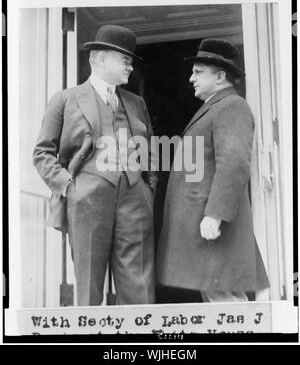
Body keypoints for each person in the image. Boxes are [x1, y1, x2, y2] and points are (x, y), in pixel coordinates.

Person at [33, 24, 157, 306]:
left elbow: (149, 149)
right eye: (124, 59)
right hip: (86, 200)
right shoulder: (65, 100)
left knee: (138, 286)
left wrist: (148, 188)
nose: (130, 66)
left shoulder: (136, 103)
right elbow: (42, 153)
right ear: (98, 59)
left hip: (135, 200)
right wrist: (68, 186)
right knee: (88, 289)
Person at [156, 38, 269, 302]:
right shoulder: (216, 107)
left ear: (220, 76)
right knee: (218, 298)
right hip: (205, 222)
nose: (190, 79)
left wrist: (215, 214)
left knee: (225, 303)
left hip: (212, 222)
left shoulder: (231, 106)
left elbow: (235, 163)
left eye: (198, 72)